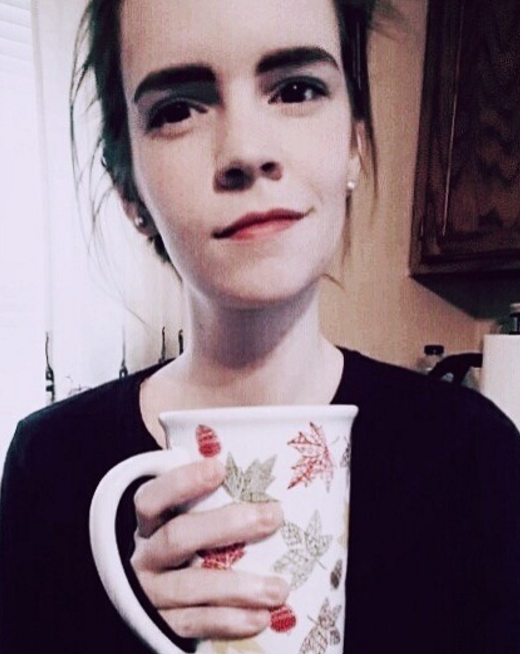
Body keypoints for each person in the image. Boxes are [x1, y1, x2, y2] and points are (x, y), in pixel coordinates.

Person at [1, 1, 520, 652]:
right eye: (177, 110)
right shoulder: (49, 466)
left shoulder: (475, 457)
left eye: (296, 90)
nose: (246, 151)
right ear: (129, 189)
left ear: (354, 142)